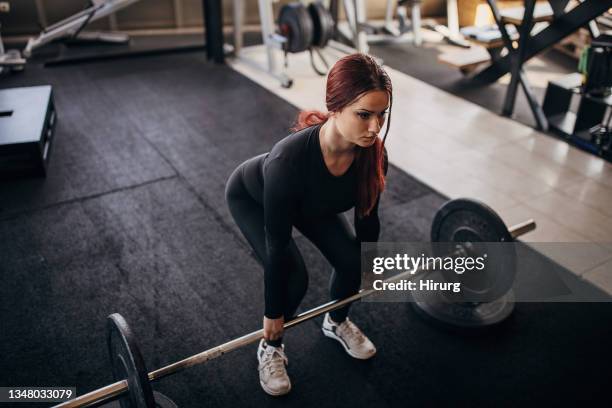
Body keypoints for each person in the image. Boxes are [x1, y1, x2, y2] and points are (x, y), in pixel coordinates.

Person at [225, 53, 392, 396]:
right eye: (364, 115)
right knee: (294, 278)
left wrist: (369, 266)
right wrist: (273, 314)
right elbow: (277, 246)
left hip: (313, 201)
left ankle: (336, 321)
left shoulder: (373, 154)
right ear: (335, 107)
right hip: (255, 198)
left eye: (381, 115)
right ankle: (270, 347)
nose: (375, 127)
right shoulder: (288, 160)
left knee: (351, 263)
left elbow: (368, 217)